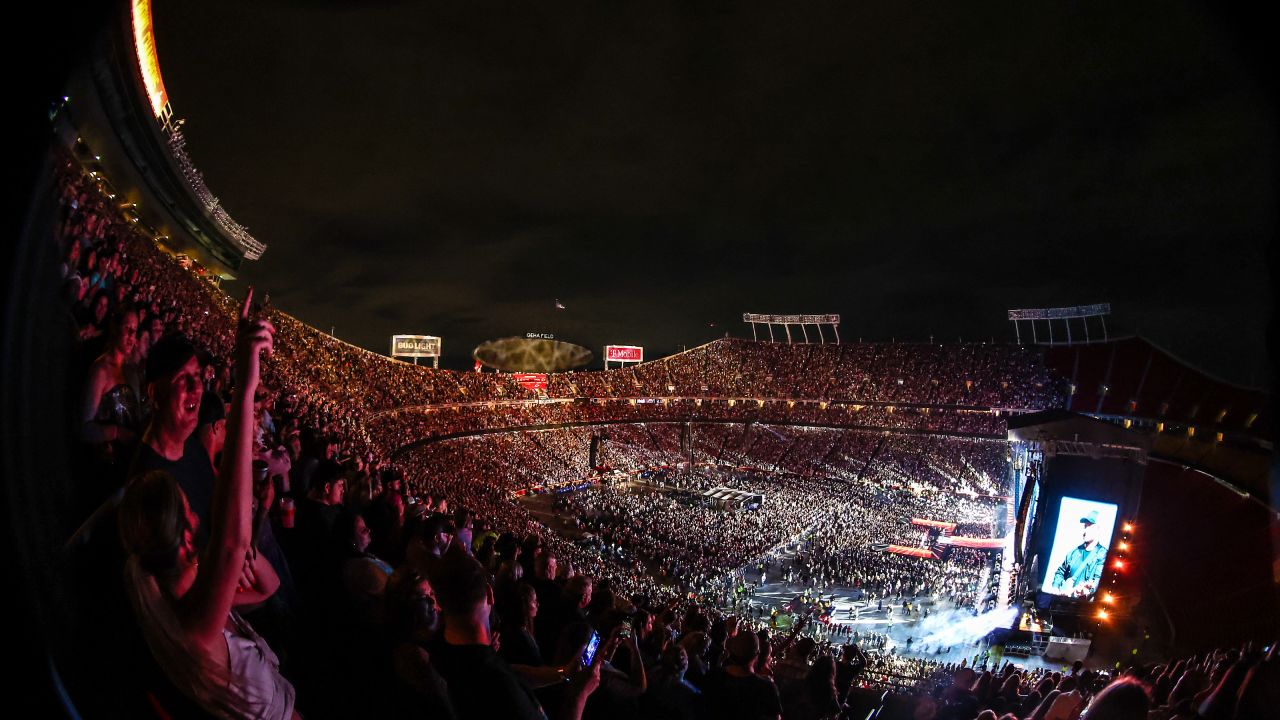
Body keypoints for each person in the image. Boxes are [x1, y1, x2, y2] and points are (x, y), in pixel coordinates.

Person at [116, 289, 295, 718]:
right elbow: (226, 544)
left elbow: (224, 517)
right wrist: (245, 386)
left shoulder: (192, 449)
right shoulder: (150, 485)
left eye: (198, 376)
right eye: (182, 379)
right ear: (155, 395)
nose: (197, 387)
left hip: (231, 609)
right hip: (219, 620)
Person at [1051, 511, 1108, 598]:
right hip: (1065, 603)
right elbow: (1060, 572)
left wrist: (1088, 590)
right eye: (1085, 526)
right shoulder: (1074, 552)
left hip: (1085, 607)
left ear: (1098, 529)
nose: (1085, 530)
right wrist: (1055, 588)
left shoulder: (1103, 554)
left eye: (1089, 526)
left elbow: (1098, 580)